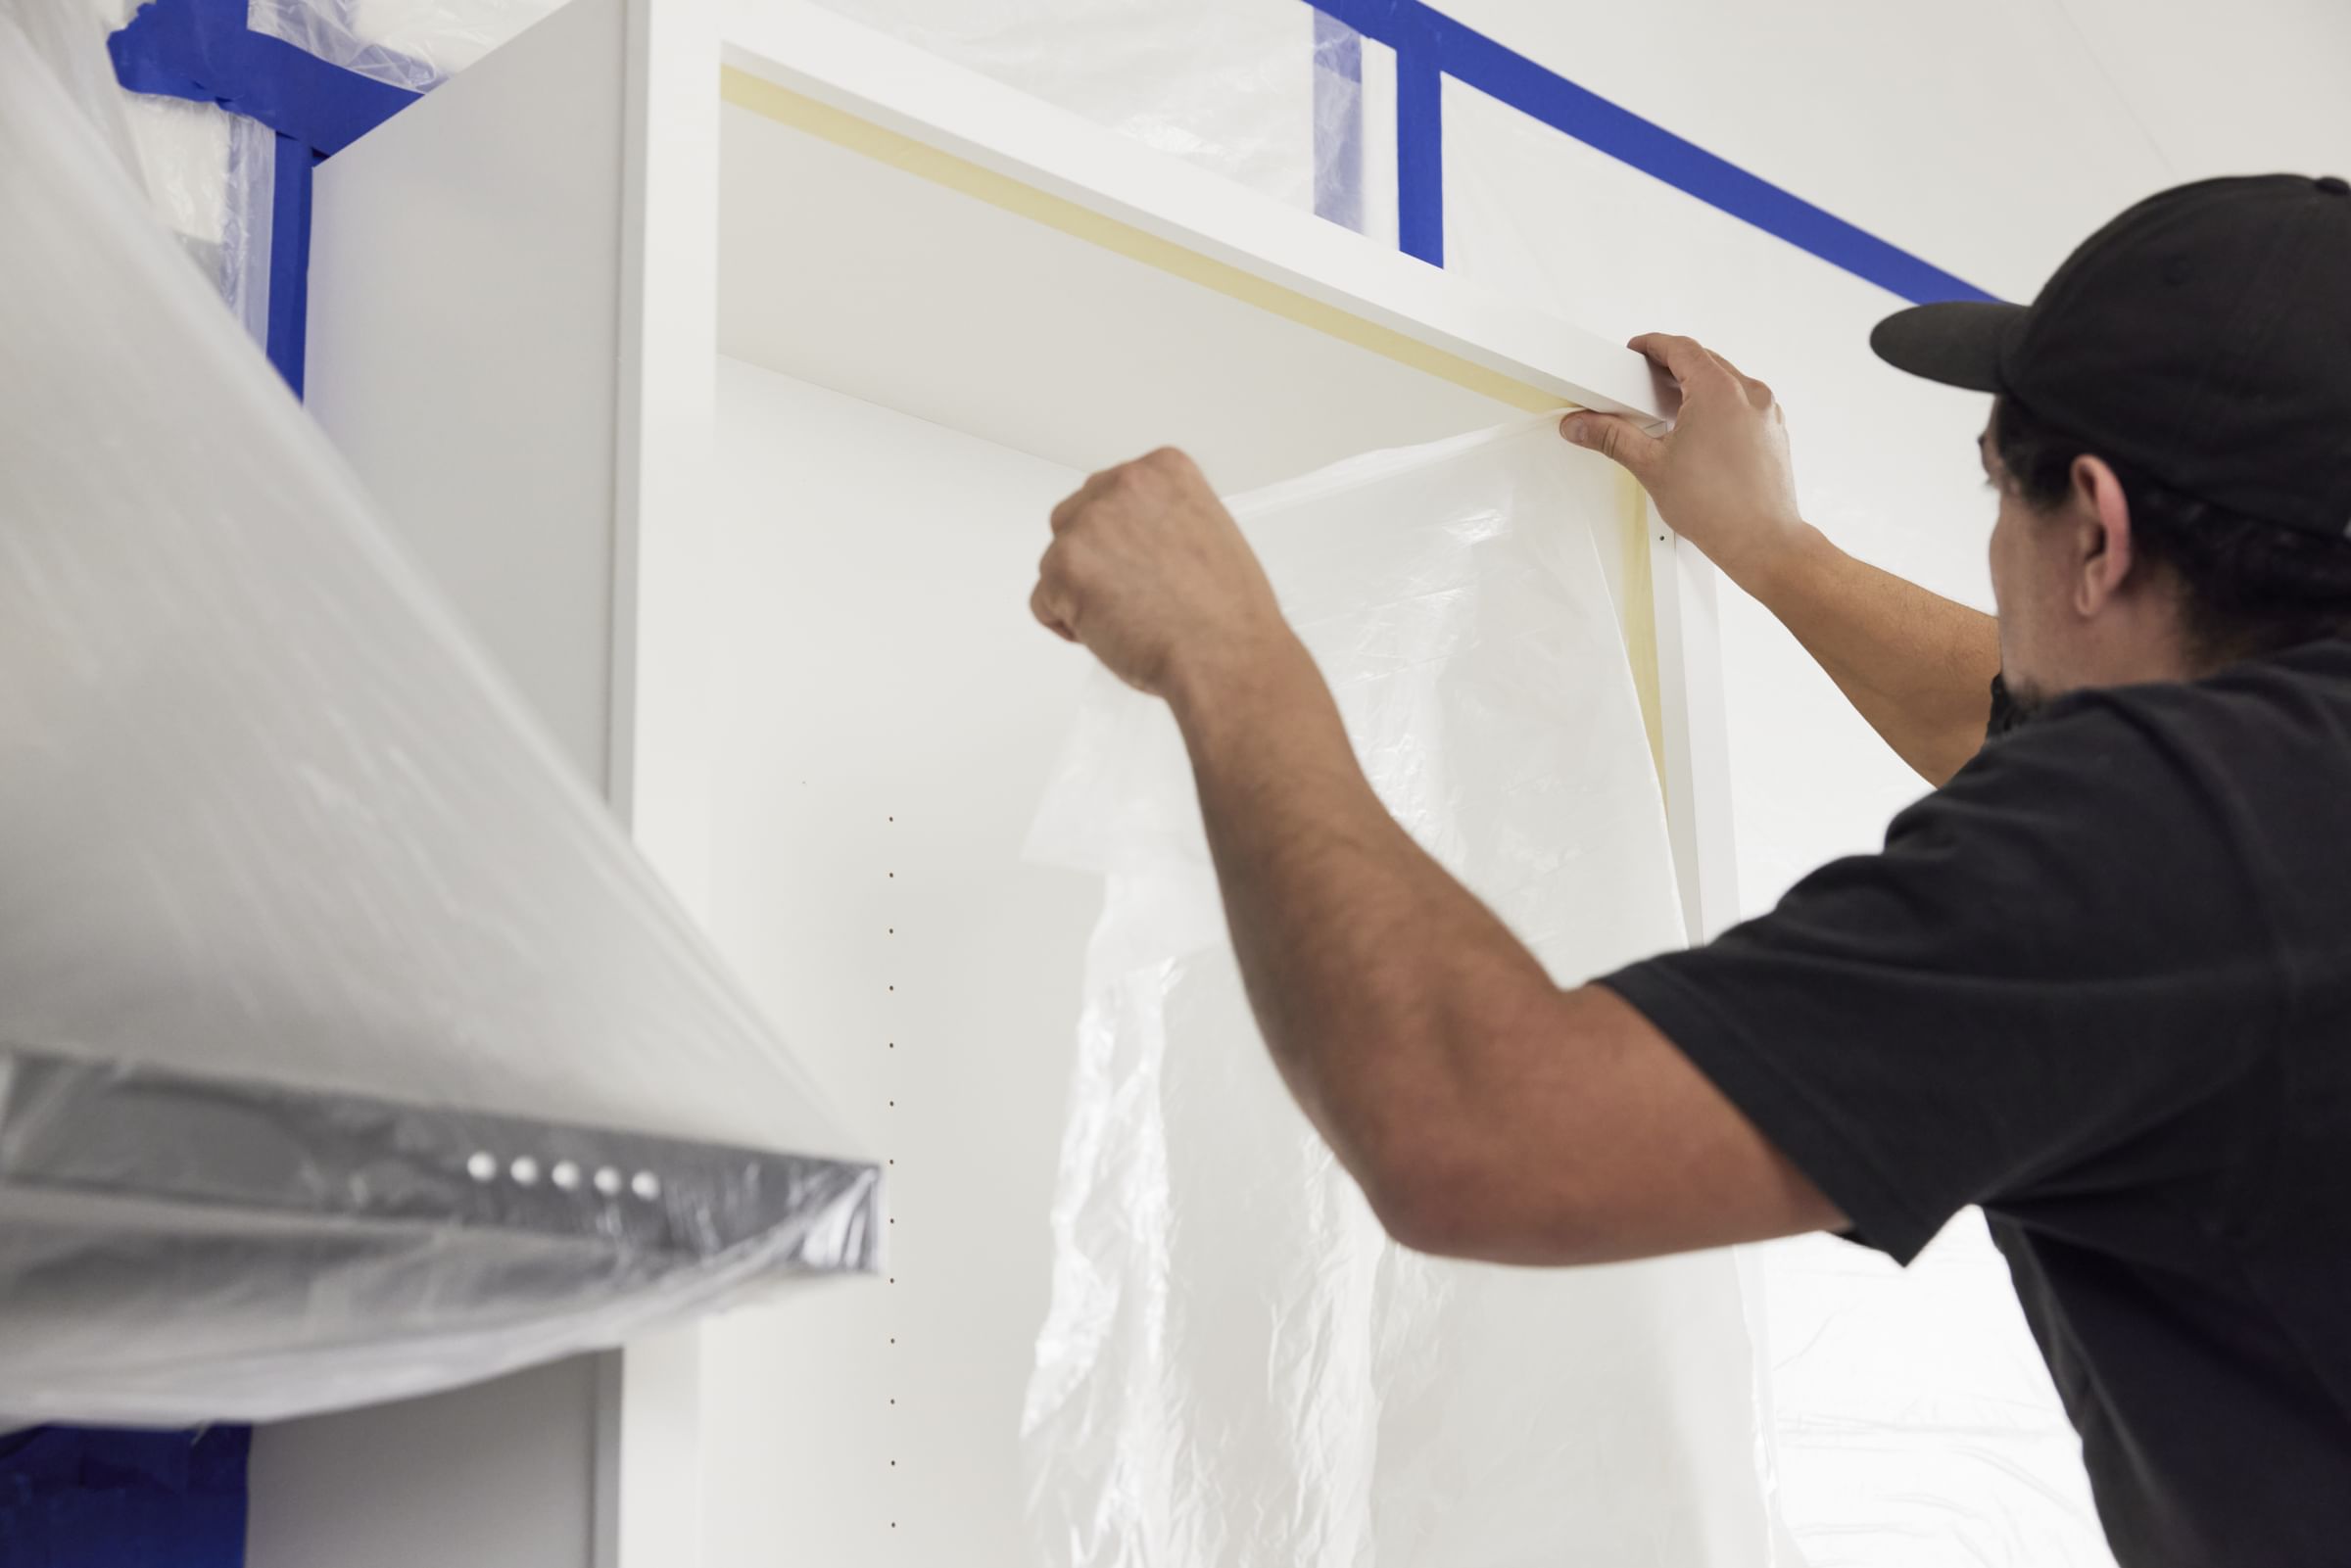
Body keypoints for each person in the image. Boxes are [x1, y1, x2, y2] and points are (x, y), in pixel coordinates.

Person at [1027, 173, 2351, 1567]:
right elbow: (2085, 745)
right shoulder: (2275, 807)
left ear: (2094, 528)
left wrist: (1228, 649)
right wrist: (1777, 554)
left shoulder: (2176, 843)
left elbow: (1481, 1129)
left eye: (1993, 484)